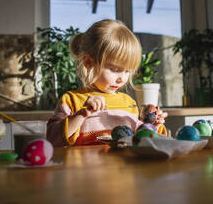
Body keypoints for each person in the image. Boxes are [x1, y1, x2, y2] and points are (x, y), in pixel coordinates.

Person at [46, 19, 167, 147]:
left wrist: (153, 124)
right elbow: (52, 138)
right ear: (88, 62)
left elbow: (141, 140)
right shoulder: (72, 100)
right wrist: (82, 114)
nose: (122, 78)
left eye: (128, 71)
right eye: (115, 69)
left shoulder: (128, 103)